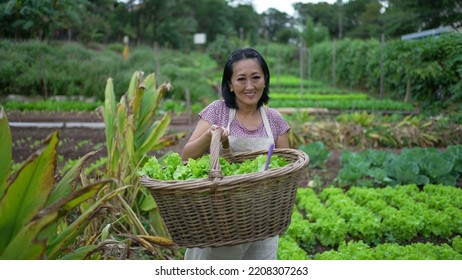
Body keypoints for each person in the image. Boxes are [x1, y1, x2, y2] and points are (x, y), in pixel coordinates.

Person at [181, 47, 291, 260]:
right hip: (220, 219)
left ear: (265, 80)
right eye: (241, 79)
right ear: (230, 84)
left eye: (256, 77)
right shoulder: (217, 111)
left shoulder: (275, 120)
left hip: (262, 220)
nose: (250, 86)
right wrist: (209, 137)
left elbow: (286, 168)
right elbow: (187, 157)